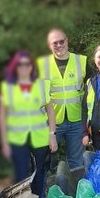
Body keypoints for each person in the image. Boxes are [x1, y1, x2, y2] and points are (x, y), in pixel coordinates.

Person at [0, 50, 58, 198]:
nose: (24, 68)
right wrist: (4, 142)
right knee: (21, 174)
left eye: (27, 64)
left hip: (40, 137)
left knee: (39, 172)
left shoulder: (42, 85)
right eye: (20, 65)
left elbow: (50, 112)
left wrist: (52, 135)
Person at [38, 28, 86, 170]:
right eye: (55, 43)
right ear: (49, 46)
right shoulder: (41, 65)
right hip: (52, 122)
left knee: (76, 163)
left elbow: (92, 89)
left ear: (67, 41)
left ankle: (76, 192)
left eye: (61, 41)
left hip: (76, 120)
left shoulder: (81, 61)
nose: (59, 45)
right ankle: (42, 192)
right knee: (44, 161)